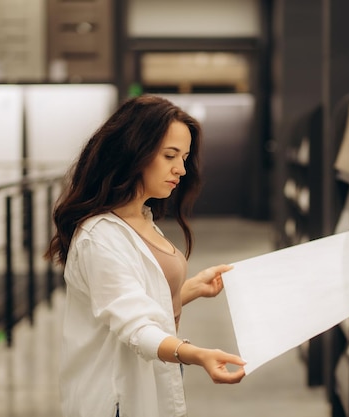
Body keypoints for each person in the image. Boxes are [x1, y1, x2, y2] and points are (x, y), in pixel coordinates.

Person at [44, 94, 246, 417]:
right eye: (170, 156)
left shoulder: (143, 218)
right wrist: (197, 355)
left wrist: (191, 288)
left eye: (184, 157)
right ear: (135, 152)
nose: (180, 169)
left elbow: (138, 294)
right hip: (118, 396)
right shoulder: (101, 237)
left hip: (152, 376)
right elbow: (136, 326)